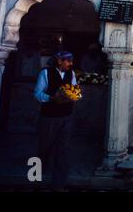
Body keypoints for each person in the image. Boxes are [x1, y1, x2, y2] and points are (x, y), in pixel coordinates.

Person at [34, 51, 79, 191]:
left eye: (71, 61)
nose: (71, 64)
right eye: (68, 61)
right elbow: (37, 94)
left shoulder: (71, 74)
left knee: (63, 149)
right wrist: (52, 98)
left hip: (67, 116)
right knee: (44, 147)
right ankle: (35, 179)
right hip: (49, 117)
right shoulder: (45, 73)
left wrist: (74, 96)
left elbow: (75, 90)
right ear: (59, 61)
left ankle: (59, 184)